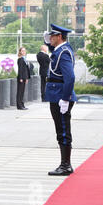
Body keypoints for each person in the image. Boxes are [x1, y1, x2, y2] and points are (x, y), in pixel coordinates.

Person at [44, 24, 77, 176]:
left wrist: (65, 98)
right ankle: (64, 163)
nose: (49, 38)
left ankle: (66, 165)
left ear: (59, 37)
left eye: (52, 36)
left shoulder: (63, 52)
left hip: (60, 96)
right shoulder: (59, 50)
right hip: (56, 95)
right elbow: (50, 47)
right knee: (60, 130)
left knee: (63, 130)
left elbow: (70, 77)